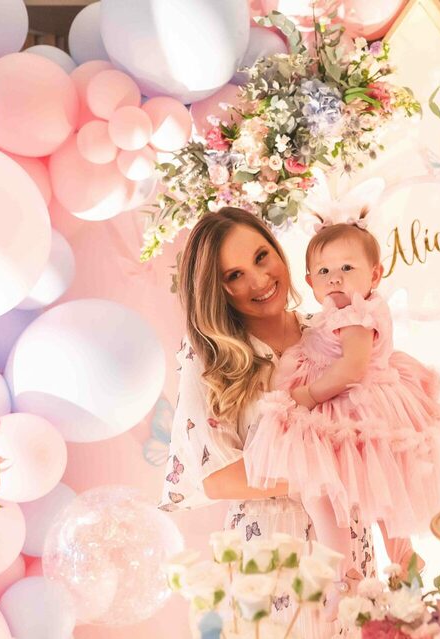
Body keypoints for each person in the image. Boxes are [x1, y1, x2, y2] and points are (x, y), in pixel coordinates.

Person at [159, 208, 375, 636]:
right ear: (216, 290)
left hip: (351, 544)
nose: (259, 280)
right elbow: (218, 479)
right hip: (271, 557)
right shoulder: (209, 358)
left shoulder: (332, 332)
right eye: (234, 275)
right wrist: (325, 473)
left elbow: (372, 434)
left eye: (261, 257)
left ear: (277, 249)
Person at [244, 208, 440, 574]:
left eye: (347, 268)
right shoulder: (348, 312)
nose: (335, 278)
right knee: (379, 489)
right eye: (324, 271)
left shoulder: (354, 315)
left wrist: (309, 395)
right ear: (310, 281)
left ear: (375, 275)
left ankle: (341, 573)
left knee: (321, 493)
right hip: (363, 403)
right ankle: (403, 560)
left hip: (351, 403)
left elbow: (352, 366)